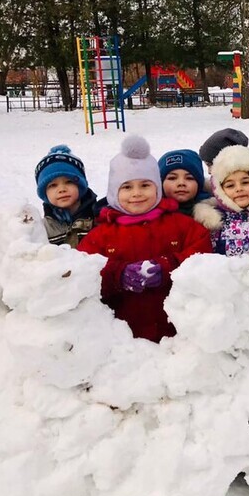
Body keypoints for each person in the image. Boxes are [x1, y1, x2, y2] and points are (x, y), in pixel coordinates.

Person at [79, 135, 212, 342]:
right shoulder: (101, 235)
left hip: (177, 336)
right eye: (127, 187)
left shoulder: (180, 224)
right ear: (114, 192)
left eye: (145, 185)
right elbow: (82, 274)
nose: (137, 193)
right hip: (123, 341)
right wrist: (118, 275)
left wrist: (168, 267)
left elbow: (203, 254)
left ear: (157, 188)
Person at [34, 144, 97, 248]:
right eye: (53, 185)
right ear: (44, 192)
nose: (62, 189)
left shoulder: (98, 219)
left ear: (79, 186)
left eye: (69, 182)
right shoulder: (43, 229)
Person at [159, 148, 211, 218]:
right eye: (172, 178)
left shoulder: (217, 215)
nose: (181, 183)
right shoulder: (148, 216)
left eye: (189, 178)